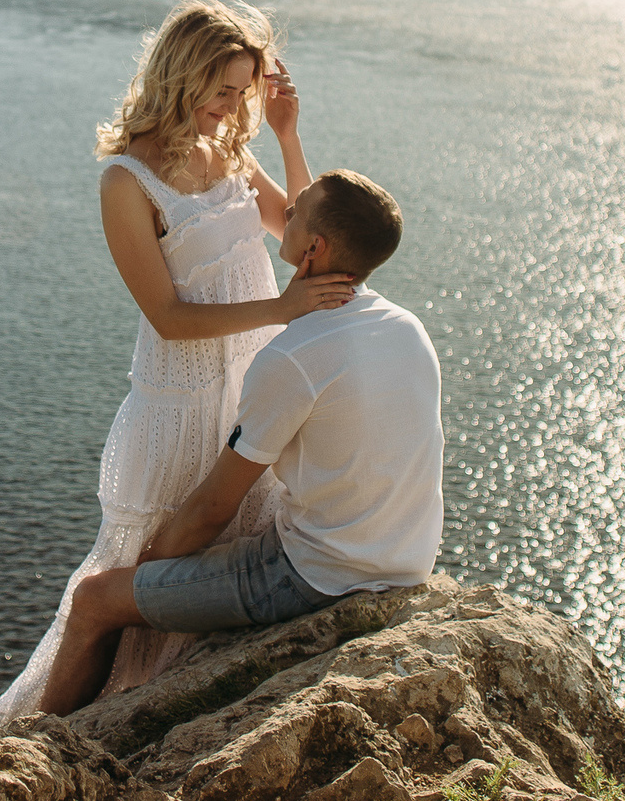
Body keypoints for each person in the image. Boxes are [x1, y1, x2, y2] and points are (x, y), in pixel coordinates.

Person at [0, 0, 358, 725]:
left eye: (243, 91)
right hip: (179, 405)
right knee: (138, 576)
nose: (233, 106)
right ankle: (41, 735)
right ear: (181, 74)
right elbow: (168, 318)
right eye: (223, 89)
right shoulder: (126, 181)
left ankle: (153, 724)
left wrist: (287, 134)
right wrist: (283, 310)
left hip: (247, 388)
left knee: (216, 562)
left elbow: (298, 234)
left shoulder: (232, 151)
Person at [35, 168, 441, 716]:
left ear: (314, 248)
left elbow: (212, 508)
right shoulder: (407, 327)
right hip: (407, 561)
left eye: (296, 211)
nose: (284, 212)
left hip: (320, 576)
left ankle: (37, 745)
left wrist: (143, 569)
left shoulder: (292, 357)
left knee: (93, 600)